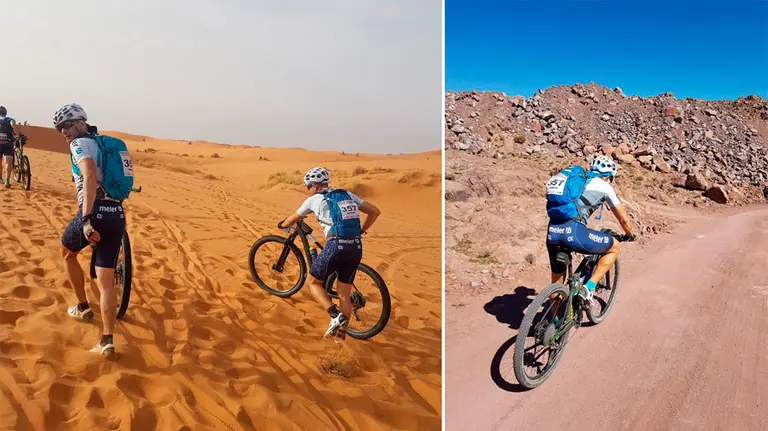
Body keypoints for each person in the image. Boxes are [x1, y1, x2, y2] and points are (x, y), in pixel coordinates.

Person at [54, 103, 127, 360]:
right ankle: (107, 341)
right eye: (59, 128)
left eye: (67, 125)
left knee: (66, 252)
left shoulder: (79, 145)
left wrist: (86, 219)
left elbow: (89, 176)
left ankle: (83, 307)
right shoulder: (106, 145)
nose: (63, 131)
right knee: (106, 281)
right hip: (116, 214)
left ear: (81, 123)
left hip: (93, 213)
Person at [278, 167, 381, 340]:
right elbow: (375, 211)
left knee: (312, 283)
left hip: (336, 246)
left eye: (307, 186)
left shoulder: (312, 200)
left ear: (313, 186)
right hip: (355, 246)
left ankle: (334, 315)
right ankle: (340, 338)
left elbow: (292, 219)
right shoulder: (347, 195)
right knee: (344, 295)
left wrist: (282, 225)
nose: (307, 190)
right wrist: (362, 229)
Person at [545, 155, 636, 308]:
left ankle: (552, 323)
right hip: (574, 232)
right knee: (614, 247)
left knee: (557, 281)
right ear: (608, 177)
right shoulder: (605, 186)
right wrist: (629, 235)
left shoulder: (578, 181)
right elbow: (624, 220)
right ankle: (588, 289)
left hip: (552, 231)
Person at [0, 106, 19, 188]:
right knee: (8, 161)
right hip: (8, 143)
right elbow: (13, 126)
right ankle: (7, 181)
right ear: (5, 113)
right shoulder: (10, 119)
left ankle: (0, 178)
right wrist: (18, 135)